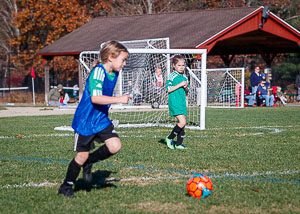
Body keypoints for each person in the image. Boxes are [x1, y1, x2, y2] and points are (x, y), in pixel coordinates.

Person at [58, 41, 130, 198]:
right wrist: (119, 99)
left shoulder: (114, 72)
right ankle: (66, 186)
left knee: (115, 145)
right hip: (86, 120)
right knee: (81, 156)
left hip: (100, 119)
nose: (124, 64)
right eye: (122, 60)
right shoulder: (98, 72)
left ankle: (89, 162)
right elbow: (96, 98)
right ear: (111, 57)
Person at [165, 55, 188, 150]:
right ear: (174, 65)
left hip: (182, 102)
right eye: (179, 65)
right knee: (182, 122)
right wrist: (180, 84)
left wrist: (186, 87)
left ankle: (178, 144)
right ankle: (169, 138)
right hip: (174, 102)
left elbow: (186, 91)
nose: (181, 67)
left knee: (183, 124)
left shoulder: (185, 77)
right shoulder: (172, 76)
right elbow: (169, 90)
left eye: (183, 65)